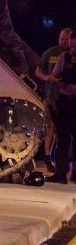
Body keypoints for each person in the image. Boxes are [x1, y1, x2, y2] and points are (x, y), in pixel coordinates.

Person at [35, 28, 73, 172]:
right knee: (49, 129)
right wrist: (47, 78)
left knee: (63, 132)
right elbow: (38, 70)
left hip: (67, 98)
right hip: (51, 97)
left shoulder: (71, 56)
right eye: (61, 39)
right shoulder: (51, 53)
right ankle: (47, 157)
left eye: (66, 39)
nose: (63, 41)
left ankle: (63, 161)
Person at [46, 30, 76, 183]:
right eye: (72, 47)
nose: (73, 51)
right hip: (65, 102)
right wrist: (57, 82)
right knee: (62, 140)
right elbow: (54, 76)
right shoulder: (64, 57)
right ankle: (61, 174)